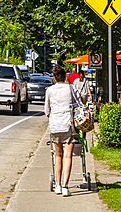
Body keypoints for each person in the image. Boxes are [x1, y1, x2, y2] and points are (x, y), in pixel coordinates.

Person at [45, 66, 76, 197]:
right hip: (68, 124)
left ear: (54, 78)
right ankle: (65, 187)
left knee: (58, 155)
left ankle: (57, 185)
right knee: (68, 156)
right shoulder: (70, 88)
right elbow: (77, 103)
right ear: (65, 77)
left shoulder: (49, 90)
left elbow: (46, 110)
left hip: (55, 125)